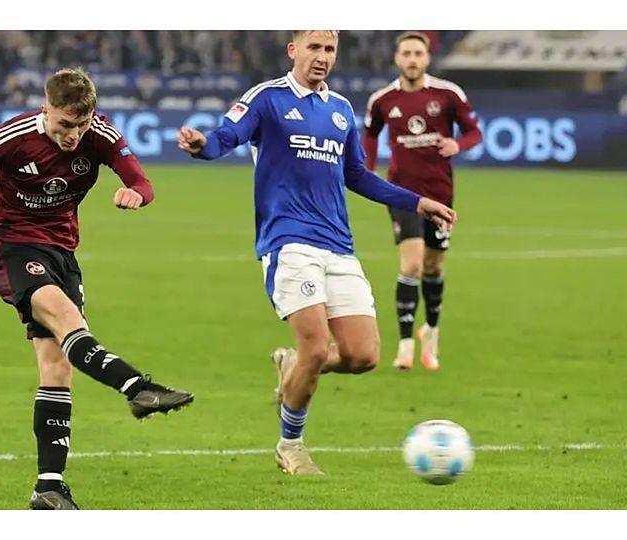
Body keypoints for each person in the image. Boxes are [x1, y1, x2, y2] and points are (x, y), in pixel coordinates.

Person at [0, 68, 194, 509]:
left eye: (82, 125)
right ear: (46, 109)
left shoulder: (101, 135)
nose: (73, 135)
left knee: (57, 369)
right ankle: (136, 389)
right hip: (10, 247)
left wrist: (136, 195)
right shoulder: (11, 137)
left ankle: (48, 487)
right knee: (68, 321)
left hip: (63, 255)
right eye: (65, 125)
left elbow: (142, 182)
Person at [177, 31, 455, 475]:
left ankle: (293, 367)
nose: (322, 57)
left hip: (338, 246)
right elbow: (226, 135)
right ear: (293, 50)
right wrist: (201, 147)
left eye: (329, 50)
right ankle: (291, 446)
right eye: (314, 48)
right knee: (316, 345)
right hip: (288, 242)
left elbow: (359, 176)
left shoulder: (341, 109)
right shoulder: (268, 98)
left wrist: (417, 202)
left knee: (363, 356)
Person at [363, 31, 483, 371]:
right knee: (412, 264)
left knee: (434, 267)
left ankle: (430, 331)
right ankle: (404, 346)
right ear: (397, 58)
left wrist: (458, 145)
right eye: (406, 53)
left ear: (427, 58)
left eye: (418, 53)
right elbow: (369, 136)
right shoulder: (383, 99)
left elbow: (474, 131)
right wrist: (367, 172)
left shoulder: (447, 94)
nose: (412, 59)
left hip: (440, 193)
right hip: (401, 192)